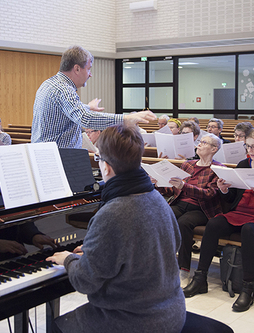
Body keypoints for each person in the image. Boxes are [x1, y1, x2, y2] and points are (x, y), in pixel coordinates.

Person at [46, 124, 186, 333]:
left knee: (57, 327)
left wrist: (68, 258)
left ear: (107, 167)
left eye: (98, 158)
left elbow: (84, 282)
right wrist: (101, 252)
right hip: (172, 312)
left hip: (134, 322)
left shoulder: (113, 213)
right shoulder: (157, 197)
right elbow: (172, 242)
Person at [183, 127, 254, 312]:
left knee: (249, 230)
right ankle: (200, 278)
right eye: (247, 146)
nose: (250, 151)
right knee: (214, 224)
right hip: (240, 213)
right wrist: (224, 190)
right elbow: (231, 199)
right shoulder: (244, 164)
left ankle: (248, 286)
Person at [31, 45, 156, 149]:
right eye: (89, 69)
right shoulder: (64, 89)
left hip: (44, 153)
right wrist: (126, 119)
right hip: (60, 158)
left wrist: (87, 106)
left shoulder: (48, 84)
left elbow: (64, 110)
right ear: (77, 69)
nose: (90, 74)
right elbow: (85, 118)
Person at [154, 133, 223, 288]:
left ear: (214, 149)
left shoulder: (217, 169)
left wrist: (184, 186)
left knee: (184, 223)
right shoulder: (188, 164)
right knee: (161, 216)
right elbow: (172, 189)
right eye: (200, 142)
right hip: (180, 204)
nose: (199, 144)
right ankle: (160, 264)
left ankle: (183, 269)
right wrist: (157, 183)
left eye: (204, 143)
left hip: (201, 209)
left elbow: (210, 195)